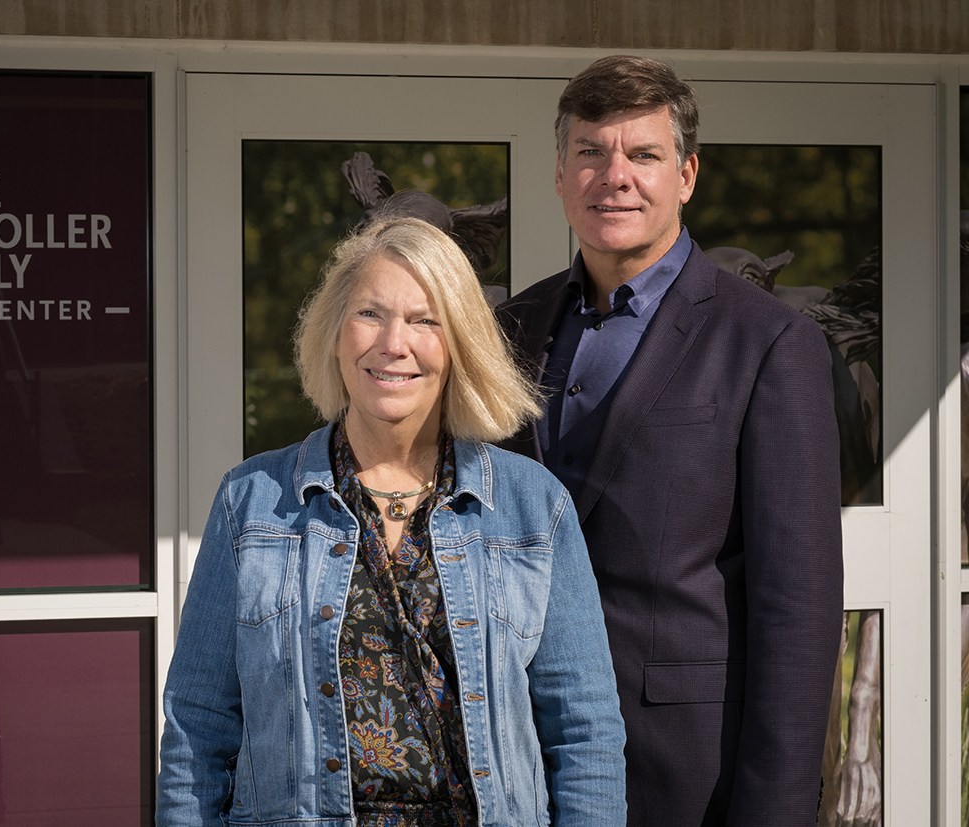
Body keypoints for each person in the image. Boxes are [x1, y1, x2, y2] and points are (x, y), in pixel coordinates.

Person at [156, 216, 627, 826]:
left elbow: (585, 734)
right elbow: (197, 725)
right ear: (334, 334)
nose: (392, 343)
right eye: (370, 314)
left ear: (458, 345)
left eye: (425, 320)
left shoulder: (534, 507)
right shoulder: (251, 502)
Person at [495, 55, 844, 827]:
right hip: (515, 765)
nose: (613, 175)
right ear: (559, 175)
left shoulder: (770, 343)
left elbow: (799, 607)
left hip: (689, 776)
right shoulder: (506, 332)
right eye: (591, 151)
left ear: (686, 175)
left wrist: (776, 809)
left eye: (642, 155)